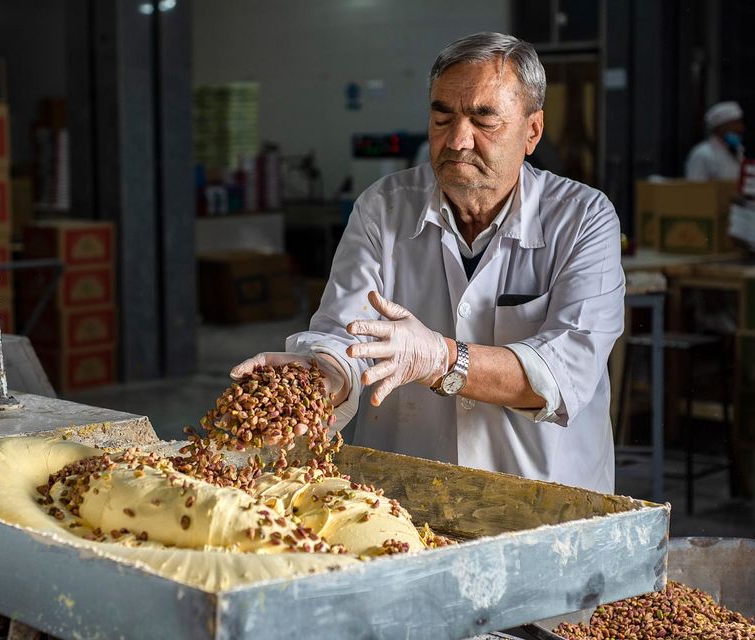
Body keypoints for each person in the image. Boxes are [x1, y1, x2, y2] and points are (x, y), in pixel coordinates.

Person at [232, 32, 625, 494]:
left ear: (532, 131)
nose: (458, 140)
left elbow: (563, 373)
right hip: (406, 495)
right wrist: (319, 381)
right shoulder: (384, 207)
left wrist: (441, 358)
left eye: (484, 119)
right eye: (443, 116)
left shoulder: (583, 218)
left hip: (545, 498)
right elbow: (345, 335)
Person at [685, 101, 745, 181]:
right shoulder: (702, 153)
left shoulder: (738, 150)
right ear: (719, 127)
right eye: (735, 124)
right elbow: (694, 188)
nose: (740, 128)